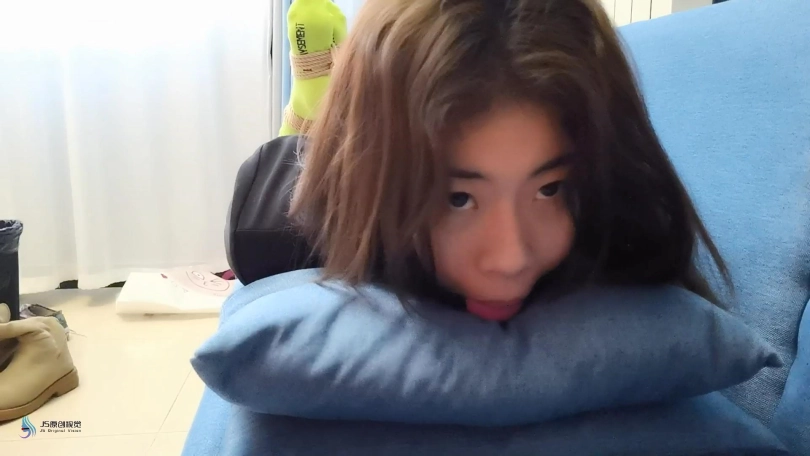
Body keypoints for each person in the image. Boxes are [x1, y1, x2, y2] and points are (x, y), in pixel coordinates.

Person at [240, 0, 730, 322]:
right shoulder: (273, 236)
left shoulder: (628, 241)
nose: (509, 257)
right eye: (458, 198)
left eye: (550, 189)